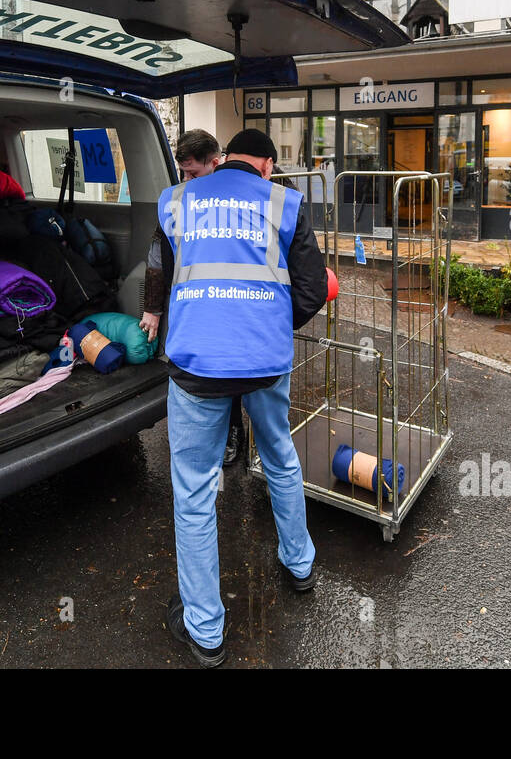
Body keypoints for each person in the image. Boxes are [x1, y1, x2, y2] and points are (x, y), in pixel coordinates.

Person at [156, 128, 328, 667]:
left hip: (196, 364)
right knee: (280, 457)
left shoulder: (176, 199)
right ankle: (299, 567)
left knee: (193, 490)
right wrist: (270, 328)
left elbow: (164, 281)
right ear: (268, 166)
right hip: (264, 362)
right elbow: (311, 290)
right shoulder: (286, 202)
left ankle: (206, 630)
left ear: (222, 159)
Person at [142, 130, 247, 468]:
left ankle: (233, 433)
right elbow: (157, 253)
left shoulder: (238, 198)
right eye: (182, 173)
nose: (186, 180)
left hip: (226, 299)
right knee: (192, 369)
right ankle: (200, 439)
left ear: (216, 164)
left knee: (225, 370)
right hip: (187, 301)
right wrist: (153, 308)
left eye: (193, 173)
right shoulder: (177, 199)